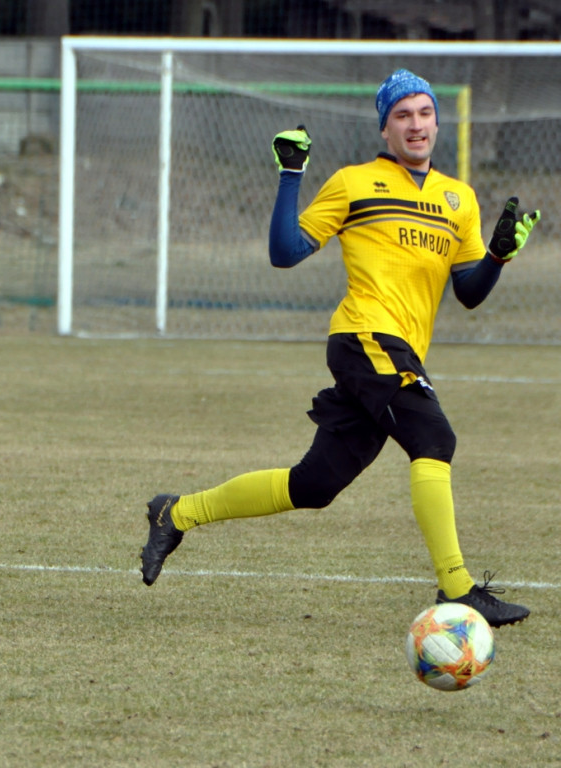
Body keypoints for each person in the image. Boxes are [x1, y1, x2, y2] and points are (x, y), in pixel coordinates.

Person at [139, 69, 540, 628]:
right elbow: (284, 252)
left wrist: (497, 257)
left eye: (425, 113)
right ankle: (458, 587)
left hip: (401, 350)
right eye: (403, 115)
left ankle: (175, 513)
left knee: (315, 484)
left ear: (437, 122)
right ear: (384, 129)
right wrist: (291, 174)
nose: (416, 124)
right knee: (434, 435)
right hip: (365, 337)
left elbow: (468, 293)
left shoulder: (460, 199)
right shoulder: (354, 183)